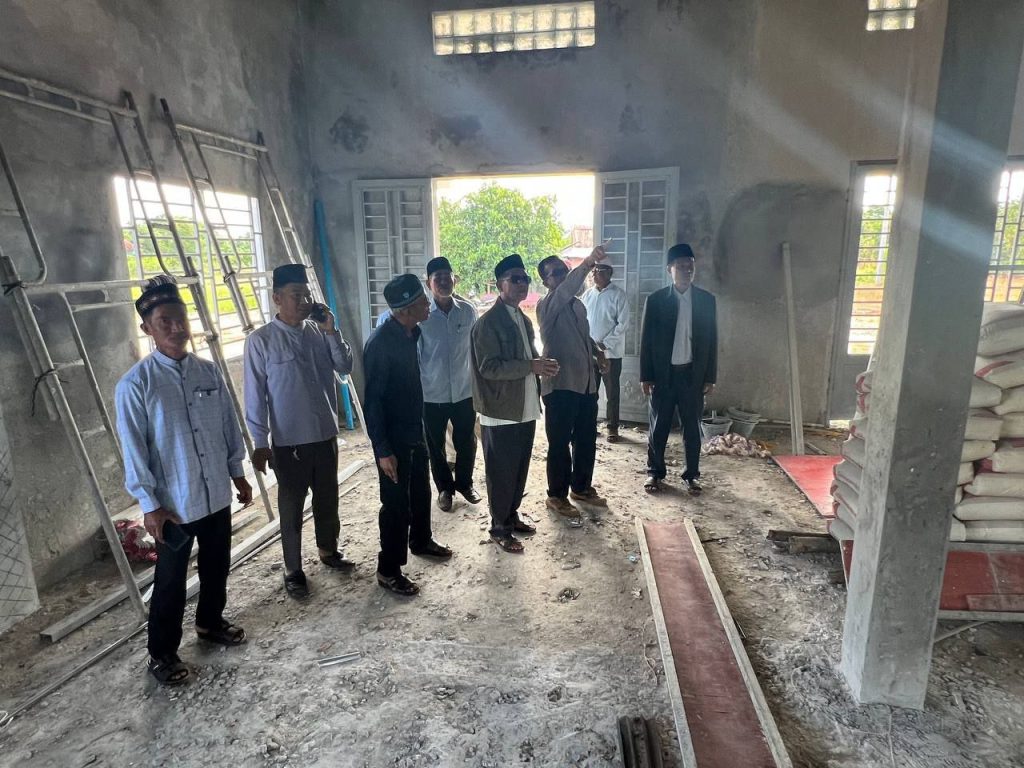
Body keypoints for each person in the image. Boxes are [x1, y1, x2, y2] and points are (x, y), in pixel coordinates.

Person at [115, 275, 252, 686]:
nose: (176, 328)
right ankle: (162, 653)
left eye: (181, 319)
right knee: (171, 581)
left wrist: (238, 474)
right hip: (173, 505)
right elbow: (134, 450)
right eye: (164, 322)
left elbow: (228, 426)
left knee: (216, 565)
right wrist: (149, 505)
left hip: (214, 493)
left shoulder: (208, 373)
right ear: (148, 328)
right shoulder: (136, 385)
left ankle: (210, 622)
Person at [243, 264, 355, 600]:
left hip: (324, 435)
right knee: (291, 508)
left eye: (307, 295)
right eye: (297, 295)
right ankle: (293, 569)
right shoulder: (261, 341)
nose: (304, 301)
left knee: (327, 499)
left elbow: (344, 367)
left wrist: (332, 330)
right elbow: (255, 396)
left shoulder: (319, 333)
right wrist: (260, 442)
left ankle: (328, 550)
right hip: (289, 442)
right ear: (277, 298)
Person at [363, 273, 453, 595]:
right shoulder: (380, 344)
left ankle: (421, 540)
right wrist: (382, 450)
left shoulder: (410, 332)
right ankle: (388, 570)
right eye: (422, 302)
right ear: (404, 309)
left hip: (414, 428)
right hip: (393, 439)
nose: (428, 305)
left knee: (420, 492)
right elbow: (372, 402)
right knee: (396, 505)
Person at [377, 257, 480, 512]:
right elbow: (415, 355)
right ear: (428, 283)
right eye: (437, 278)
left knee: (467, 440)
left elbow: (475, 348)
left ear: (454, 279)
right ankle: (445, 489)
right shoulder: (422, 316)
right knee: (435, 445)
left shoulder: (468, 312)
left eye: (447, 276)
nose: (443, 281)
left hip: (464, 390)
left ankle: (465, 483)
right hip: (431, 393)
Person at [472, 254, 559, 553]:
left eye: (525, 279)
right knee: (501, 472)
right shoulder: (487, 323)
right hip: (500, 410)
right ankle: (499, 527)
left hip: (524, 405)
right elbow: (489, 368)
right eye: (515, 279)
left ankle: (511, 516)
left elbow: (527, 358)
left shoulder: (522, 318)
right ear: (500, 284)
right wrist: (531, 366)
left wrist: (541, 365)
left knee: (519, 467)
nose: (522, 284)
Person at [536, 245, 610, 517]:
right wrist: (589, 261)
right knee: (559, 443)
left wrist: (597, 352)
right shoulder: (548, 305)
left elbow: (582, 336)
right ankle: (556, 495)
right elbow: (568, 288)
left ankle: (580, 487)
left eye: (563, 270)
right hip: (560, 385)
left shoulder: (576, 305)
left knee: (586, 439)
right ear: (546, 282)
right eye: (555, 273)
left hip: (586, 383)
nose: (562, 276)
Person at [639, 243, 718, 494]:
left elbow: (713, 341)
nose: (686, 270)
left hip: (692, 375)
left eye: (690, 265)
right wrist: (646, 376)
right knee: (658, 427)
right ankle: (655, 473)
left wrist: (710, 376)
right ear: (669, 269)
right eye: (681, 266)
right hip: (663, 376)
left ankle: (691, 475)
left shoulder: (706, 301)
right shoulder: (656, 301)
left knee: (692, 429)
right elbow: (646, 341)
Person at [581, 262, 629, 443]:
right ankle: (590, 425)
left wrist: (604, 344)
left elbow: (623, 324)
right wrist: (590, 345)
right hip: (590, 353)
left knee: (612, 393)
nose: (594, 274)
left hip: (611, 354)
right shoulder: (588, 295)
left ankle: (612, 428)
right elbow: (582, 321)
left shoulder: (618, 295)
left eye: (599, 271)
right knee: (590, 392)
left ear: (609, 273)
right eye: (593, 271)